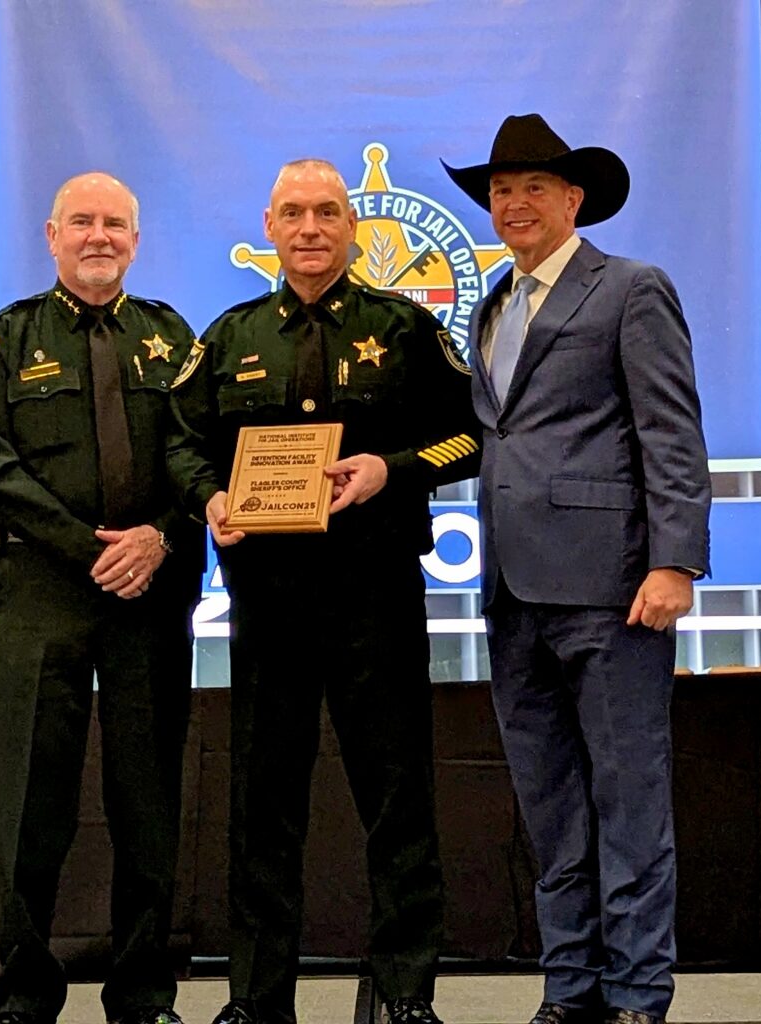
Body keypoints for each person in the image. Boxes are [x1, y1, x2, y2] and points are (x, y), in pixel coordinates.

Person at [167, 159, 481, 1024]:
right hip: (267, 602)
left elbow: (471, 435)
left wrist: (395, 468)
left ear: (352, 227)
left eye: (328, 213)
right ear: (268, 224)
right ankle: (258, 997)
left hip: (374, 594)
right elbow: (179, 444)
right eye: (294, 213)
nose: (310, 228)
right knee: (263, 801)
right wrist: (212, 497)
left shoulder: (406, 328)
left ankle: (404, 993)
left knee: (398, 796)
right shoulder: (227, 338)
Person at [442, 115, 712, 1024]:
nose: (512, 204)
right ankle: (570, 986)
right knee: (550, 804)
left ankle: (636, 992)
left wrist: (674, 560)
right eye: (499, 191)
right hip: (512, 592)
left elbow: (670, 434)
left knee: (626, 797)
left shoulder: (631, 289)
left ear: (573, 200)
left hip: (612, 589)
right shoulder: (490, 301)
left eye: (531, 188)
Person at [0, 172, 203, 1024]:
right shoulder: (8, 337)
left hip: (150, 587)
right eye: (83, 224)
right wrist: (85, 548)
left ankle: (142, 992)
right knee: (32, 800)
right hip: (41, 588)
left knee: (147, 801)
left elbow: (203, 456)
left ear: (136, 240)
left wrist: (161, 535)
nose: (100, 237)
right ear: (52, 235)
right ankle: (24, 988)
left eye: (116, 225)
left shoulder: (172, 339)